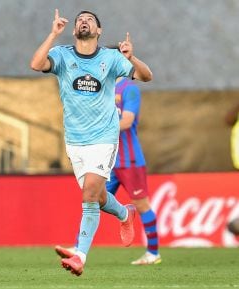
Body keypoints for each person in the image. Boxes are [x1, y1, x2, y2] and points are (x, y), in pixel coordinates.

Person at [30, 9, 153, 276]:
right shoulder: (63, 55)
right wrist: (53, 34)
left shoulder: (111, 58)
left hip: (104, 138)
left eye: (90, 20)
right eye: (79, 21)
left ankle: (80, 255)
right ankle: (124, 213)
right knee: (96, 197)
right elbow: (36, 64)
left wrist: (132, 58)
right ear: (74, 30)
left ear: (99, 31)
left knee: (88, 195)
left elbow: (146, 76)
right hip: (75, 140)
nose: (83, 22)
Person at [54, 77, 161, 265]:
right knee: (92, 197)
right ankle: (79, 249)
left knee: (142, 205)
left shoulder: (129, 89)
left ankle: (153, 253)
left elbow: (127, 121)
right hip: (105, 158)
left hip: (130, 160)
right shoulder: (99, 88)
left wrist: (97, 129)